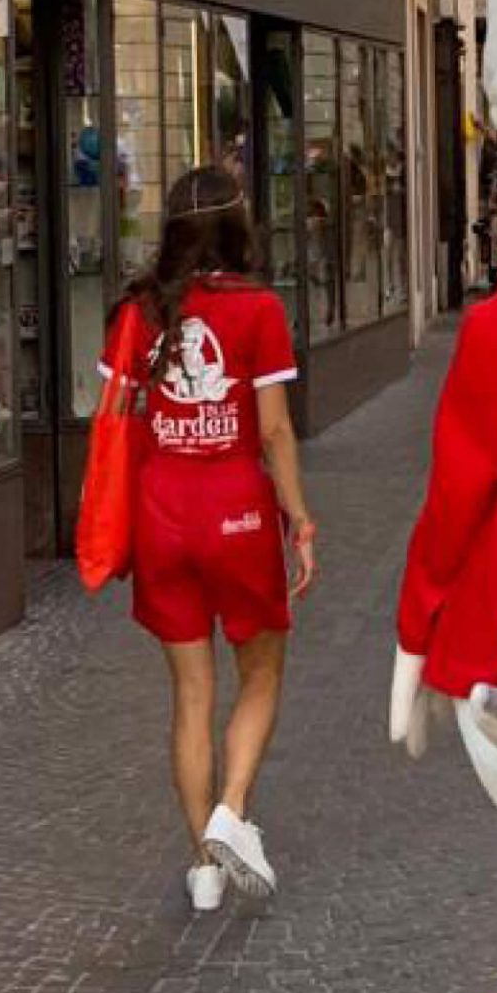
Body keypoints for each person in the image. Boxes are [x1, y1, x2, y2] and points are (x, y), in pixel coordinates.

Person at [103, 167, 319, 913]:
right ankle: (231, 810)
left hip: (161, 511)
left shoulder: (139, 311)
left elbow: (113, 419)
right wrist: (300, 518)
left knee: (190, 694)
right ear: (240, 227)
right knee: (260, 675)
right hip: (236, 509)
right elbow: (276, 430)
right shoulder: (259, 309)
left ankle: (203, 864)